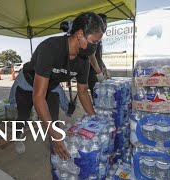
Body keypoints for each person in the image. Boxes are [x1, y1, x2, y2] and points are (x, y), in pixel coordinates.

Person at [11, 12, 105, 160]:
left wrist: (94, 118)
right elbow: (38, 96)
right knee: (22, 117)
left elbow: (83, 92)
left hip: (51, 85)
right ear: (80, 34)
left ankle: (55, 153)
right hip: (28, 84)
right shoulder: (50, 48)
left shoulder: (83, 60)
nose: (95, 47)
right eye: (94, 41)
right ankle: (18, 137)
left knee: (53, 123)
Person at [88, 13, 110, 98]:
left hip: (98, 72)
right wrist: (99, 74)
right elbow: (91, 56)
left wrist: (104, 69)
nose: (106, 26)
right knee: (98, 99)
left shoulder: (99, 38)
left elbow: (98, 57)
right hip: (93, 74)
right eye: (105, 24)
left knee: (102, 98)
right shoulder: (94, 37)